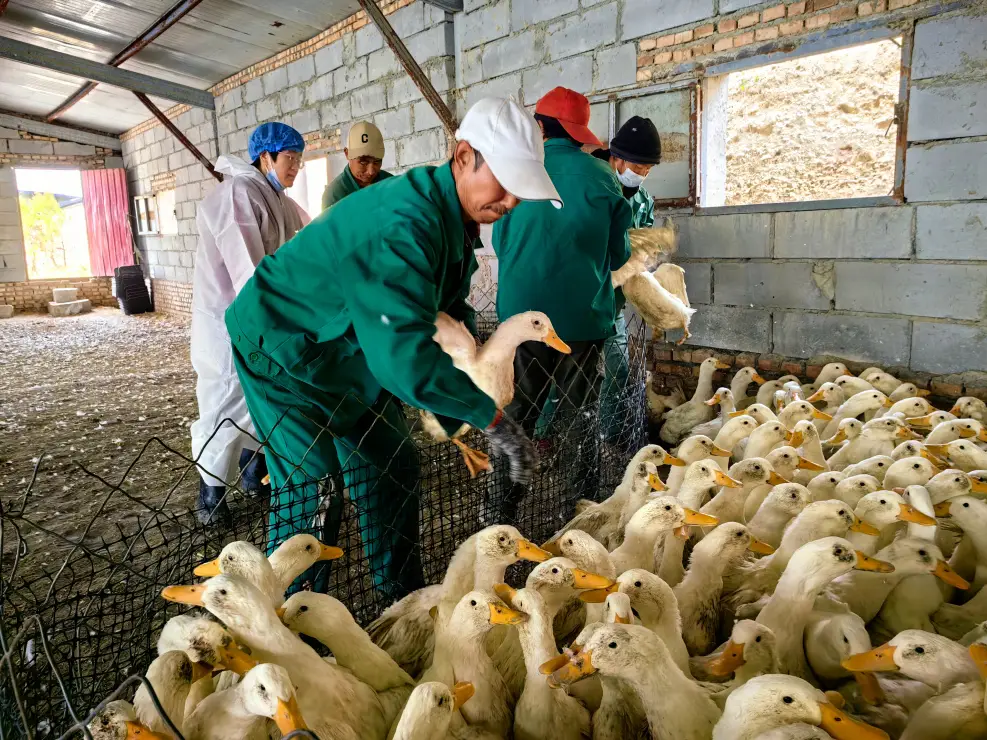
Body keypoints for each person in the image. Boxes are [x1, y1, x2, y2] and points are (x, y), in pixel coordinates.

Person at [226, 97, 560, 599]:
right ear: (464, 155)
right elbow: (401, 352)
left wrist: (464, 387)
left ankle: (400, 599)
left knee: (393, 464)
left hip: (348, 350)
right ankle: (289, 626)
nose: (511, 202)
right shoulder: (406, 223)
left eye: (520, 189)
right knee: (314, 488)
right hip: (281, 347)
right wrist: (491, 421)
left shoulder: (452, 223)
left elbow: (446, 312)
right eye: (506, 182)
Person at [487, 86, 632, 526]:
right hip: (581, 323)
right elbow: (618, 257)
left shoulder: (515, 172)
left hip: (522, 320)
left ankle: (500, 512)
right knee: (578, 416)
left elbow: (498, 240)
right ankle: (580, 514)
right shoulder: (603, 177)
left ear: (541, 126)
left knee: (516, 415)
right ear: (577, 131)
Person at [189, 122, 309, 526]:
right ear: (266, 157)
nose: (296, 166)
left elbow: (310, 238)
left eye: (299, 159)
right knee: (225, 398)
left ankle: (254, 473)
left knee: (260, 396)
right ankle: (211, 493)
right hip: (228, 320)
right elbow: (247, 270)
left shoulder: (278, 199)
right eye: (289, 158)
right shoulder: (239, 194)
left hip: (259, 315)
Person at [593, 116, 662, 447]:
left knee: (618, 367)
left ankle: (603, 431)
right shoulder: (590, 183)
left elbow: (646, 245)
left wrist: (645, 259)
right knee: (562, 368)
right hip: (577, 294)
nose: (642, 174)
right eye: (638, 166)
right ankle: (546, 430)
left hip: (613, 300)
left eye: (648, 169)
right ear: (616, 157)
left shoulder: (644, 200)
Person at [321, 121, 392, 209]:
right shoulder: (334, 196)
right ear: (347, 154)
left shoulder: (390, 184)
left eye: (377, 161)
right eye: (363, 162)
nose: (371, 171)